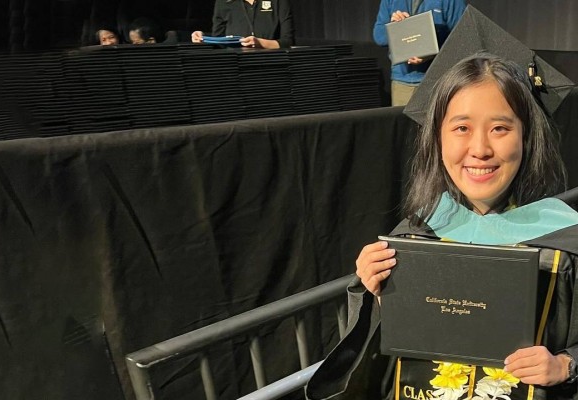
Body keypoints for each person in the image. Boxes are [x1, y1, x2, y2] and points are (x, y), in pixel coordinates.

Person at [306, 53, 578, 400]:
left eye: (500, 128)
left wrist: (566, 365)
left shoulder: (565, 242)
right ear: (437, 138)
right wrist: (376, 299)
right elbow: (376, 369)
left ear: (527, 138)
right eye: (461, 128)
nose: (479, 149)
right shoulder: (415, 234)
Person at [373, 0, 467, 106]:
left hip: (438, 82)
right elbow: (379, 36)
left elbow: (463, 39)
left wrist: (434, 54)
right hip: (403, 82)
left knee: (435, 122)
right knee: (404, 122)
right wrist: (394, 27)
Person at [191, 0, 294, 49]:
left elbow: (288, 42)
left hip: (270, 67)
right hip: (234, 70)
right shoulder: (223, 3)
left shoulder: (279, 2)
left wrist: (260, 43)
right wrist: (203, 39)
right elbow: (219, 43)